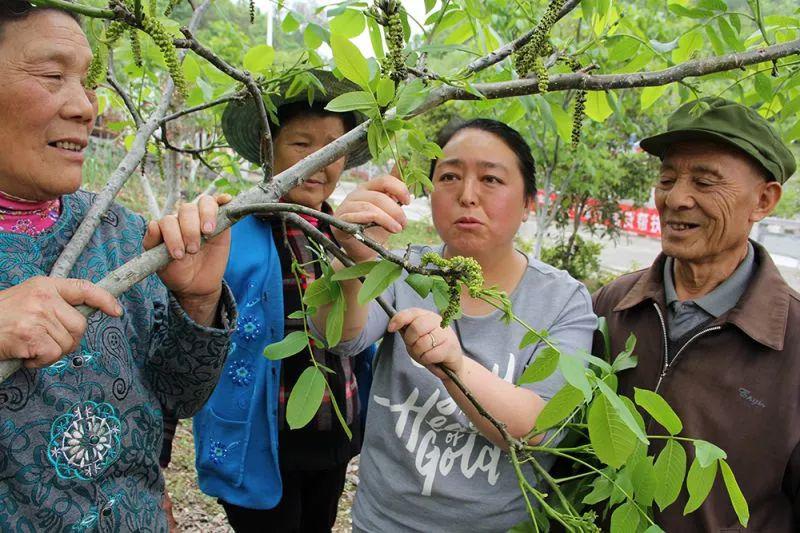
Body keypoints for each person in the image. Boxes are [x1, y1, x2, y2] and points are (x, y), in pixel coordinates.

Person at [0, 3, 235, 531]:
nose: (86, 106)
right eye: (52, 75)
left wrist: (196, 302)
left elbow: (182, 397)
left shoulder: (122, 234)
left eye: (86, 81)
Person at [312, 119, 597, 532]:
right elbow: (337, 336)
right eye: (449, 176)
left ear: (528, 203)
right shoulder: (403, 268)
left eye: (491, 179)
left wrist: (456, 368)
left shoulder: (562, 300)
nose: (467, 195)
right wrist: (353, 255)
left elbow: (538, 429)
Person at [592, 97, 799, 531]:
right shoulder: (613, 304)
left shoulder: (793, 342)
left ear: (763, 201)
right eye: (667, 178)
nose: (676, 198)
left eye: (705, 183)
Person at [182, 71, 375, 532]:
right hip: (260, 436)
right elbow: (195, 328)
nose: (318, 161)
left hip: (331, 438)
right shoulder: (230, 236)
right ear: (269, 150)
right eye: (301, 144)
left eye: (332, 147)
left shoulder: (351, 234)